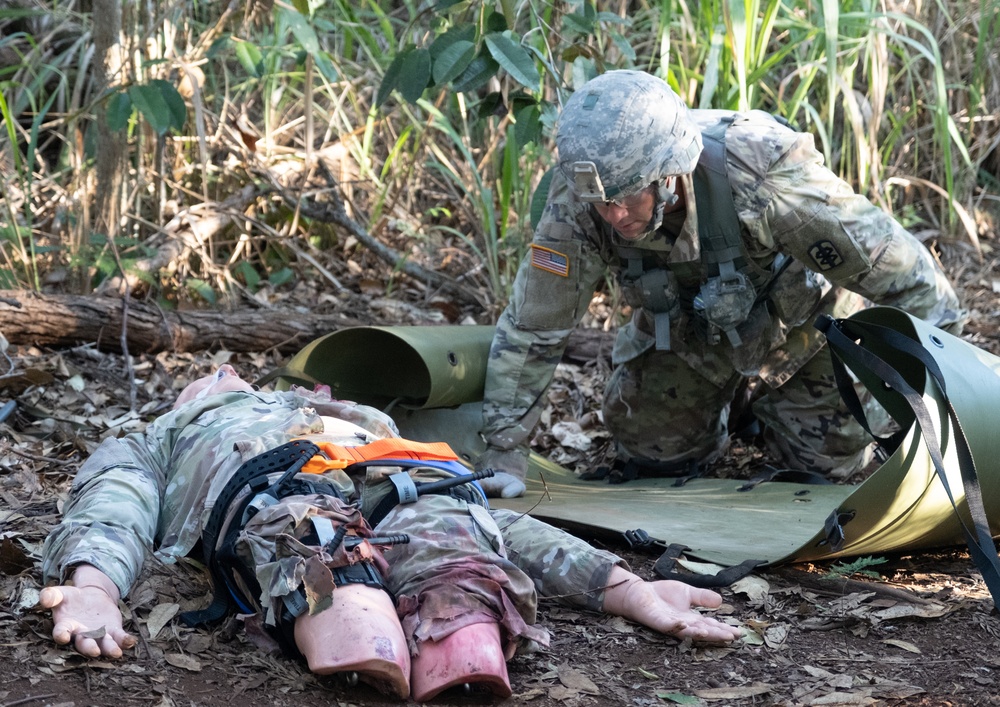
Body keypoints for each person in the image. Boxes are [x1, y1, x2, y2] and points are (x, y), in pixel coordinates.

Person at [37, 365, 741, 702]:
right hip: (269, 487)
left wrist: (624, 587)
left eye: (229, 370)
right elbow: (114, 500)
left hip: (396, 473)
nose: (221, 373)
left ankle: (451, 623)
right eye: (205, 376)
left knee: (454, 541)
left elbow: (488, 518)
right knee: (306, 533)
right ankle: (355, 616)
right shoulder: (162, 430)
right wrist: (95, 587)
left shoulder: (352, 411)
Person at [475, 70, 966, 499]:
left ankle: (777, 407)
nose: (614, 215)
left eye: (626, 197)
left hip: (805, 331)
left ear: (667, 177)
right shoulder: (585, 195)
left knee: (815, 474)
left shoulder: (766, 177)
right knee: (651, 451)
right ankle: (730, 406)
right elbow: (532, 326)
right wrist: (504, 450)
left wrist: (959, 413)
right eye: (602, 203)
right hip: (689, 332)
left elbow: (910, 279)